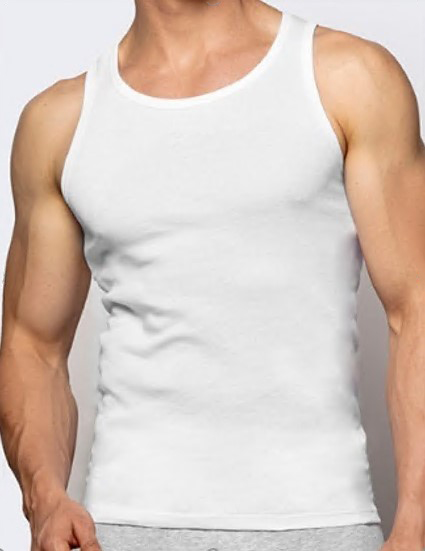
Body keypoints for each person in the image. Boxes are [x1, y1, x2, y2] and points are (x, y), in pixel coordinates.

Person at [1, 0, 425, 550]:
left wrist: (416, 521)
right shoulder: (60, 122)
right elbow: (32, 346)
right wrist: (45, 500)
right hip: (124, 526)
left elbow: (416, 305)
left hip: (318, 521)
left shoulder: (346, 77)